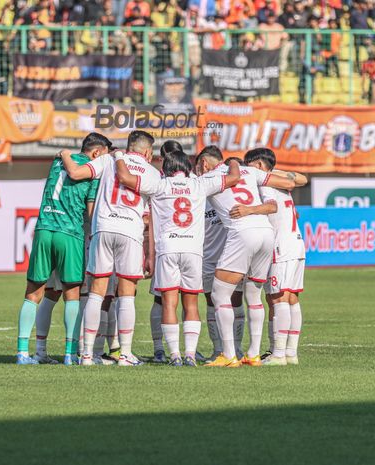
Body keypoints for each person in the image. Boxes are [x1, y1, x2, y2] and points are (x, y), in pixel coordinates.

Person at [115, 151, 241, 366]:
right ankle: (190, 355)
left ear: (165, 169)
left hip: (168, 249)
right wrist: (235, 163)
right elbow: (234, 178)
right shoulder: (199, 185)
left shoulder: (159, 185)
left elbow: (125, 177)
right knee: (191, 304)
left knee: (169, 304)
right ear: (188, 168)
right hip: (193, 250)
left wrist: (119, 156)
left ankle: (174, 355)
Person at [60, 130, 161, 366]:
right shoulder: (153, 173)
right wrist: (150, 252)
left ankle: (86, 354)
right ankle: (124, 354)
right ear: (147, 151)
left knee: (96, 292)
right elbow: (149, 215)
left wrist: (64, 153)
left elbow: (75, 173)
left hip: (103, 228)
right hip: (130, 232)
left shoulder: (107, 159)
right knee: (126, 295)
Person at [14, 133, 112, 365]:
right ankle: (70, 354)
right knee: (72, 295)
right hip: (70, 233)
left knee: (34, 293)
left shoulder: (57, 162)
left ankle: (23, 353)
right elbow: (89, 212)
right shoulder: (92, 172)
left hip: (44, 229)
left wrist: (65, 154)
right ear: (96, 153)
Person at [196, 148, 297, 367]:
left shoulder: (206, 180)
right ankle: (252, 354)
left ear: (204, 164)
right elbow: (288, 184)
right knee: (253, 295)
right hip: (265, 232)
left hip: (242, 233)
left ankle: (229, 354)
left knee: (219, 294)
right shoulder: (249, 172)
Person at [243, 148, 308, 366]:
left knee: (277, 297)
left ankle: (278, 354)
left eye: (249, 165)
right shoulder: (278, 180)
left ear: (259, 166)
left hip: (281, 246)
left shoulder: (265, 184)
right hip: (296, 243)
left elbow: (270, 207)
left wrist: (248, 210)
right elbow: (300, 179)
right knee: (290, 298)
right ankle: (290, 352)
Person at [149, 140, 184, 363]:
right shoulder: (159, 180)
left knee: (168, 299)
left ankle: (166, 349)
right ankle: (162, 348)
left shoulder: (159, 180)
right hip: (172, 244)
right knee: (166, 299)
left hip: (169, 245)